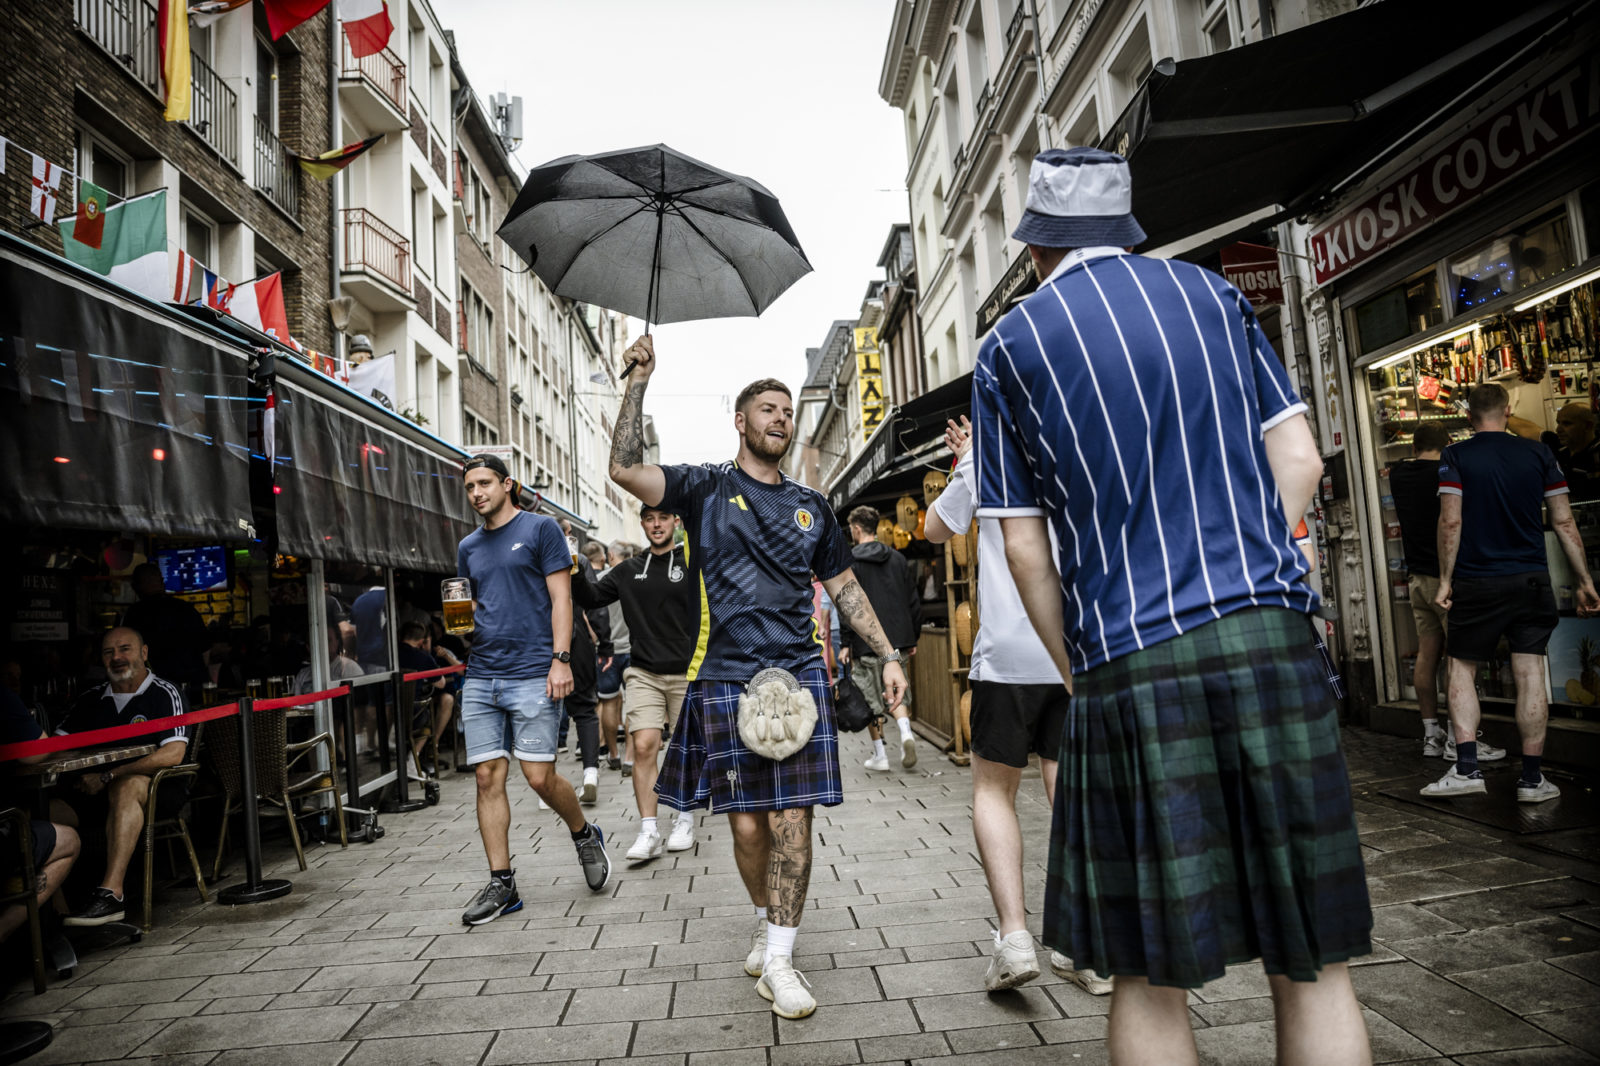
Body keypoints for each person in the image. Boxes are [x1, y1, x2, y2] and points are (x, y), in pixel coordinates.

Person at [980, 147, 1372, 1065]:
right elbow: (1304, 461)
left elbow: (1025, 545)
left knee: (1147, 973)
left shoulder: (1012, 345)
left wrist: (1080, 665)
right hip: (1268, 636)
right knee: (1311, 957)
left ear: (1037, 246)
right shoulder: (1213, 298)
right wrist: (1246, 560)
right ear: (1127, 229)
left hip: (1128, 659)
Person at [608, 339, 909, 1020]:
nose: (781, 417)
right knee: (747, 830)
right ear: (740, 423)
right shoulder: (705, 487)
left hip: (798, 679)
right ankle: (763, 917)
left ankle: (780, 956)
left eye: (785, 410)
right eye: (766, 409)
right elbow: (624, 466)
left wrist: (888, 654)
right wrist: (639, 380)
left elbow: (844, 587)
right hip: (726, 679)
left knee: (794, 820)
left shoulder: (813, 506)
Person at [926, 416, 1109, 996]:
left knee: (993, 789)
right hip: (1075, 649)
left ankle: (1014, 939)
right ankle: (1085, 949)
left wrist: (968, 462)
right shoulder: (1085, 444)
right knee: (1071, 793)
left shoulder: (989, 460)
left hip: (1007, 651)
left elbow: (933, 529)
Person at [1424, 383, 1600, 803]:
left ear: (1469, 417)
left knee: (1461, 668)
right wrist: (1584, 580)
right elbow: (1563, 522)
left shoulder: (1456, 456)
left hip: (1476, 581)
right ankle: (1533, 779)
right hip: (1532, 580)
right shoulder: (1539, 454)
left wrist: (1445, 580)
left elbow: (1451, 522)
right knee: (1530, 673)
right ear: (1507, 411)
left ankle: (1467, 768)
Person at [456, 453, 611, 926]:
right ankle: (503, 883)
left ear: (507, 484)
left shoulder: (541, 530)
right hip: (482, 671)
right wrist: (465, 626)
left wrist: (561, 659)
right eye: (469, 487)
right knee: (486, 776)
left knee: (539, 777)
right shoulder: (467, 546)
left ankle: (584, 834)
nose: (477, 493)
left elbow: (562, 597)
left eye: (484, 483)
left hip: (533, 671)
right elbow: (472, 600)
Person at [573, 503, 700, 862]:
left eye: (663, 517)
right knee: (644, 745)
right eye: (649, 518)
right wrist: (575, 567)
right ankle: (648, 830)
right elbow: (591, 596)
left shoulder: (692, 562)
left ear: (676, 520)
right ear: (642, 523)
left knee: (685, 750)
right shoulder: (627, 569)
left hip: (688, 673)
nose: (656, 524)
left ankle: (685, 820)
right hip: (644, 672)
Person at [1387, 422, 1508, 763]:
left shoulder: (1399, 476)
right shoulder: (1447, 472)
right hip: (1449, 580)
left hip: (1418, 581)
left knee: (1427, 656)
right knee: (1460, 660)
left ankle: (1430, 735)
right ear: (1448, 445)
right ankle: (1460, 738)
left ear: (1414, 447)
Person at [55, 628, 191, 927]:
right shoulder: (89, 699)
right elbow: (54, 746)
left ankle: (111, 893)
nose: (117, 657)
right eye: (108, 652)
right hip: (91, 792)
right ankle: (55, 914)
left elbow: (173, 755)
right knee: (40, 811)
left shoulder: (165, 692)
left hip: (156, 790)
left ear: (144, 653)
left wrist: (108, 774)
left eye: (125, 649)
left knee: (126, 787)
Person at [840, 506, 920, 771]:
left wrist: (844, 643)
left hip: (866, 641)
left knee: (869, 698)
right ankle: (906, 732)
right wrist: (914, 637)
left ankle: (880, 756)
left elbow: (849, 605)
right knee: (896, 691)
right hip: (898, 640)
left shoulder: (851, 560)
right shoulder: (898, 559)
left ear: (857, 529)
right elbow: (913, 600)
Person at [120, 563, 209, 697]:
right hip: (194, 688)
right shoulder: (186, 609)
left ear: (136, 587)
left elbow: (128, 658)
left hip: (156, 692)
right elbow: (205, 651)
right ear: (162, 581)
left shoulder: (133, 615)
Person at [598, 541, 634, 773]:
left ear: (610, 555)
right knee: (633, 705)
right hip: (634, 649)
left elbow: (589, 614)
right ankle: (630, 757)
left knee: (609, 703)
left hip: (607, 651)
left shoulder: (601, 579)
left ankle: (613, 753)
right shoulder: (637, 577)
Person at [397, 622, 451, 770]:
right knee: (427, 717)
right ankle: (413, 758)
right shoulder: (422, 657)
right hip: (412, 710)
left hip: (390, 707)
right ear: (421, 641)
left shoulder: (392, 653)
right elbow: (441, 684)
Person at [1554, 401, 1600, 500]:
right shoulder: (1561, 452)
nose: (1558, 429)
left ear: (1588, 426)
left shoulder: (1596, 454)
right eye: (1558, 423)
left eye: (1567, 423)